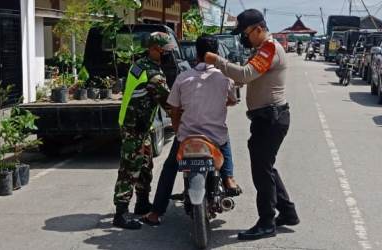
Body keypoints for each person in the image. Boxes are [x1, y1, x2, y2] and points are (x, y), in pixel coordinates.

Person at [204, 9, 300, 240]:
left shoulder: (269, 48)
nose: (243, 38)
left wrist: (217, 60)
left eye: (245, 33)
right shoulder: (261, 49)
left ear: (258, 29)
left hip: (271, 118)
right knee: (266, 166)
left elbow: (246, 74)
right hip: (267, 118)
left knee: (261, 170)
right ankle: (287, 212)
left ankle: (266, 222)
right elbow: (241, 78)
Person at [141, 35, 241, 226]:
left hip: (187, 136)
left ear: (197, 53)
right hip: (215, 137)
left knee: (170, 168)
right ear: (216, 53)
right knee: (225, 138)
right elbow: (232, 101)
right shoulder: (224, 78)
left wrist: (179, 130)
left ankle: (155, 213)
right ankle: (228, 178)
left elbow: (174, 109)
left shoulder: (183, 77)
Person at [112, 32, 173, 230]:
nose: (168, 54)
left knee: (145, 164)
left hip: (140, 124)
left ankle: (142, 203)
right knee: (130, 168)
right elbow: (169, 103)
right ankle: (120, 213)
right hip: (134, 126)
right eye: (165, 51)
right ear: (155, 49)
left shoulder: (141, 64)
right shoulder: (153, 74)